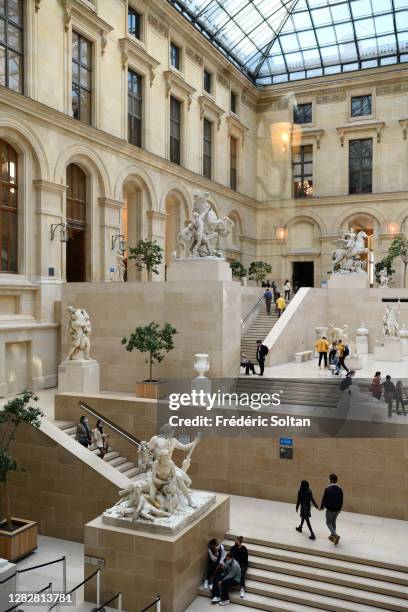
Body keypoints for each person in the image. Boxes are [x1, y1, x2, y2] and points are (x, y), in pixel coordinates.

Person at [320, 473, 343, 545]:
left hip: (330, 509)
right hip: (337, 509)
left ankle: (335, 535)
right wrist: (339, 509)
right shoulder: (340, 488)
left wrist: (322, 507)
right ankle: (332, 536)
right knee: (333, 522)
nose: (328, 480)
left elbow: (324, 499)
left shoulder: (328, 488)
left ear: (331, 480)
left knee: (328, 522)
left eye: (329, 478)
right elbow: (341, 499)